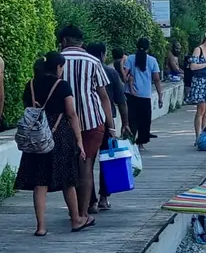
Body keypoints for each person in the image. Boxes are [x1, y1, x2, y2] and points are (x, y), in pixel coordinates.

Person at [15, 52, 95, 235]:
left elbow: (28, 108)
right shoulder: (62, 85)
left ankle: (41, 227)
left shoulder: (31, 84)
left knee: (40, 182)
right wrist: (79, 141)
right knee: (67, 180)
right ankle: (76, 219)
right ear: (58, 67)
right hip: (59, 136)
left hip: (37, 137)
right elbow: (71, 114)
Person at [59, 25, 115, 222]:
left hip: (63, 122)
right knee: (87, 165)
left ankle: (72, 211)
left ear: (64, 41)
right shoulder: (93, 61)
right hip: (93, 121)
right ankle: (83, 213)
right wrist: (111, 125)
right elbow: (104, 97)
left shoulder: (57, 60)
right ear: (81, 42)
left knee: (69, 166)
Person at [85, 42, 130, 212]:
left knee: (86, 162)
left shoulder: (84, 70)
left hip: (87, 121)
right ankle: (104, 198)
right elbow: (121, 101)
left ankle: (90, 201)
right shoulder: (110, 72)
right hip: (107, 121)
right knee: (107, 160)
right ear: (103, 54)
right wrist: (125, 124)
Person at [124, 38, 163, 150]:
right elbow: (156, 79)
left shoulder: (130, 59)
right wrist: (160, 96)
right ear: (148, 48)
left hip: (130, 94)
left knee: (132, 119)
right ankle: (140, 143)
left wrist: (129, 79)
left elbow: (124, 75)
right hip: (145, 95)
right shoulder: (152, 60)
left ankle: (130, 142)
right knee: (144, 120)